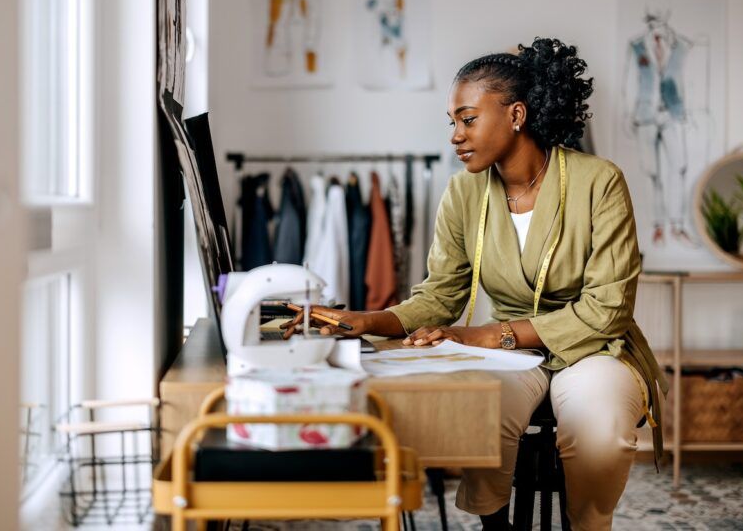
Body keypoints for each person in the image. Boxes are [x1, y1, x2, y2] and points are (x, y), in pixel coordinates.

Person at [281, 37, 668, 531]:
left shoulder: (600, 181)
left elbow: (607, 308)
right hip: (511, 354)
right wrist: (367, 320)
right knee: (478, 411)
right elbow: (441, 293)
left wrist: (490, 334)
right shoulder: (464, 192)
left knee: (599, 429)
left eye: (468, 119)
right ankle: (494, 525)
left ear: (516, 115)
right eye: (453, 122)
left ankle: (586, 525)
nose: (455, 136)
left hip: (594, 346)